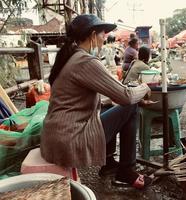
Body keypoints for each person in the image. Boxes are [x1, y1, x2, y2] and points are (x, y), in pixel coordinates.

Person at [41, 14, 152, 189]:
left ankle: (108, 163)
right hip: (69, 139)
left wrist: (117, 99)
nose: (104, 37)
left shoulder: (71, 57)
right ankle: (126, 170)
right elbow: (126, 96)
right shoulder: (85, 61)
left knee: (109, 105)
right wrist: (144, 87)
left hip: (55, 136)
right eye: (102, 33)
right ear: (93, 35)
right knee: (130, 106)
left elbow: (94, 96)